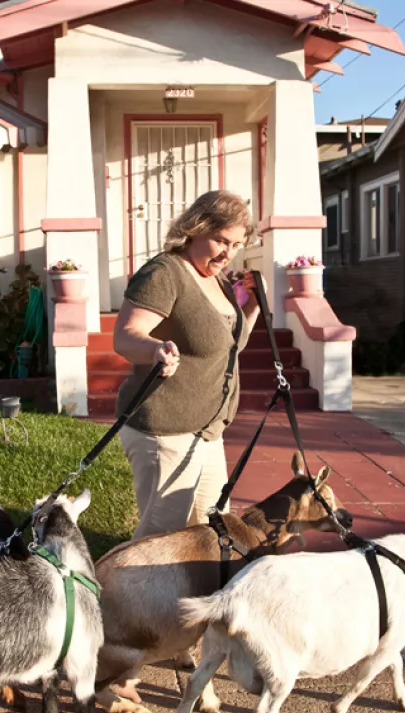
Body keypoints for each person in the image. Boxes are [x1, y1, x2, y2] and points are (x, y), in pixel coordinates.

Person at [112, 190, 261, 540]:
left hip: (207, 430)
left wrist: (251, 308)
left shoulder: (219, 280)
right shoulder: (165, 272)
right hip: (164, 429)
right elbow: (125, 335)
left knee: (212, 532)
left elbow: (228, 345)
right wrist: (154, 350)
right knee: (161, 538)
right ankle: (124, 592)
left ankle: (188, 594)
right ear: (194, 229)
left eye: (237, 244)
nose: (228, 253)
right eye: (220, 241)